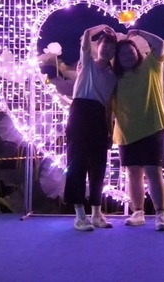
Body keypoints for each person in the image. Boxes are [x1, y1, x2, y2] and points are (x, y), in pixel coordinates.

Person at [112, 29, 164, 231]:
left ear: (137, 52)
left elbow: (160, 43)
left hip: (152, 126)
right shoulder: (114, 77)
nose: (127, 56)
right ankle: (138, 213)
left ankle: (160, 215)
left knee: (154, 172)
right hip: (126, 131)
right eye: (122, 54)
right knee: (133, 173)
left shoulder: (151, 66)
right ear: (117, 59)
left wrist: (139, 32)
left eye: (130, 51)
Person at [63, 24, 118, 231]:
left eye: (112, 47)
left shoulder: (113, 76)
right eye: (105, 45)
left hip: (99, 116)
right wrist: (103, 27)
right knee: (77, 163)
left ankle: (96, 213)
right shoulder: (87, 63)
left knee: (99, 165)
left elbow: (109, 105)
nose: (107, 49)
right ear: (98, 46)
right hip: (80, 112)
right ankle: (79, 216)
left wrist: (109, 129)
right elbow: (86, 34)